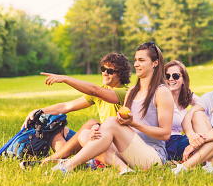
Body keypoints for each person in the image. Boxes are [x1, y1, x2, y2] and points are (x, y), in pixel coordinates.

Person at [51, 42, 174, 175]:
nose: (136, 64)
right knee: (86, 134)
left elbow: (165, 134)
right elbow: (120, 122)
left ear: (155, 63)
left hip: (152, 157)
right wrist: (98, 130)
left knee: (110, 121)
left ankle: (68, 165)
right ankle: (124, 169)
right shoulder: (132, 91)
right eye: (136, 60)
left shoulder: (161, 92)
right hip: (129, 151)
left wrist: (134, 124)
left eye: (141, 60)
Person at [21, 53, 131, 165]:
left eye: (110, 71)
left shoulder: (124, 93)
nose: (105, 73)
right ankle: (64, 160)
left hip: (114, 144)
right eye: (103, 69)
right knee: (55, 127)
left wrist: (65, 78)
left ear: (121, 74)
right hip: (97, 137)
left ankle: (48, 161)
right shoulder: (100, 92)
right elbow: (67, 106)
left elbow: (94, 90)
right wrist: (39, 111)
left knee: (92, 123)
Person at [164, 60, 199, 161]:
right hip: (167, 144)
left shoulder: (186, 96)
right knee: (204, 138)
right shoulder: (160, 97)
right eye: (167, 76)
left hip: (181, 140)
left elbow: (204, 104)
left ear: (183, 80)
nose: (171, 79)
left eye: (175, 76)